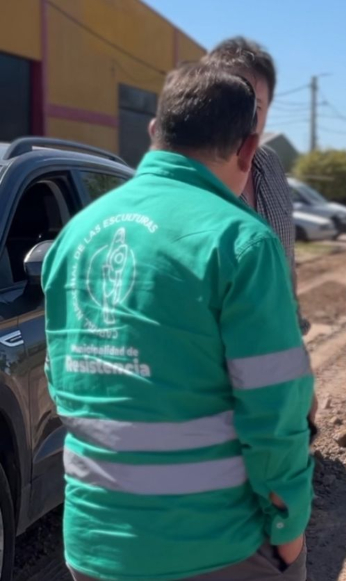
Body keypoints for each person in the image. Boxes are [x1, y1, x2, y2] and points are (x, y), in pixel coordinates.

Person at [43, 63, 314, 581]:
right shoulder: (241, 240)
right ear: (248, 148)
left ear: (153, 132)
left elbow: (66, 388)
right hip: (215, 547)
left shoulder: (75, 236)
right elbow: (276, 413)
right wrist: (289, 526)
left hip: (95, 543)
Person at [203, 36, 310, 336]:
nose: (247, 116)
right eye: (234, 101)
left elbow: (286, 260)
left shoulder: (272, 165)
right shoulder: (187, 175)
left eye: (257, 105)